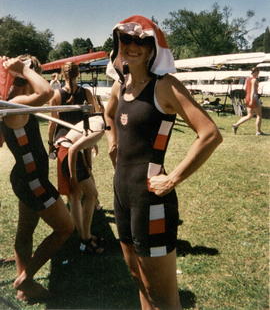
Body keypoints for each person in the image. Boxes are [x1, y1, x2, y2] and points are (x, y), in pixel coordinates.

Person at [105, 15, 223, 310]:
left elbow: (210, 134)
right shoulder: (122, 85)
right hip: (121, 194)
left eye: (140, 41)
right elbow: (110, 115)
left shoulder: (165, 86)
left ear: (151, 49)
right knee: (137, 278)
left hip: (151, 199)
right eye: (126, 40)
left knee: (164, 297)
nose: (132, 46)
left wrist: (173, 179)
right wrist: (113, 143)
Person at [0, 55, 74, 302]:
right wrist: (24, 70)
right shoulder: (17, 102)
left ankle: (25, 290)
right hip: (32, 180)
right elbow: (46, 92)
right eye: (35, 73)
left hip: (27, 177)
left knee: (25, 232)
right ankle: (26, 278)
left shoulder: (10, 102)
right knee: (65, 228)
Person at [48, 61, 104, 254]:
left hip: (64, 144)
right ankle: (85, 237)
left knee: (74, 195)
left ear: (62, 74)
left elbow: (52, 124)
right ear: (78, 74)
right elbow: (93, 117)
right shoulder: (86, 93)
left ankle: (82, 235)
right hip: (75, 146)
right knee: (90, 194)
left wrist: (50, 144)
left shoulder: (57, 95)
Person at [232, 67, 264, 136]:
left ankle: (235, 125)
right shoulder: (254, 80)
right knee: (259, 115)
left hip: (247, 97)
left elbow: (245, 88)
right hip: (253, 98)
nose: (258, 73)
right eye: (258, 72)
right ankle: (258, 131)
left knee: (249, 115)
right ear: (255, 72)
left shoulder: (247, 79)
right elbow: (252, 91)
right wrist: (252, 100)